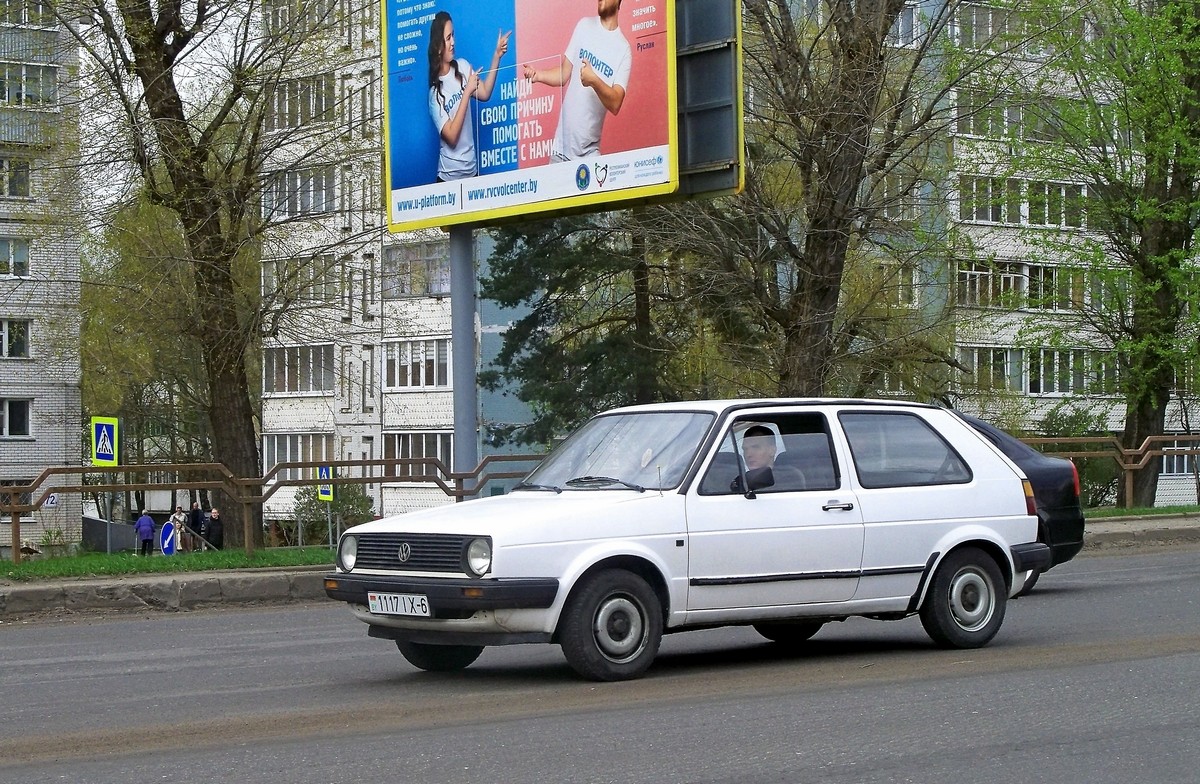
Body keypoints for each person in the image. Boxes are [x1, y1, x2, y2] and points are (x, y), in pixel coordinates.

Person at [523, 0, 631, 160]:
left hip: (589, 155)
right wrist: (538, 75)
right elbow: (564, 73)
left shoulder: (623, 49)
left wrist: (594, 80)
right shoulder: (584, 26)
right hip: (560, 150)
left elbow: (615, 103)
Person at [427, 11, 510, 180]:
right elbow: (452, 137)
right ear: (437, 47)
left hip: (472, 172)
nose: (453, 42)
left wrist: (496, 57)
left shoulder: (463, 67)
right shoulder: (435, 94)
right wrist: (466, 92)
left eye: (453, 36)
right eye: (448, 38)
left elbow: (485, 92)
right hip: (447, 180)